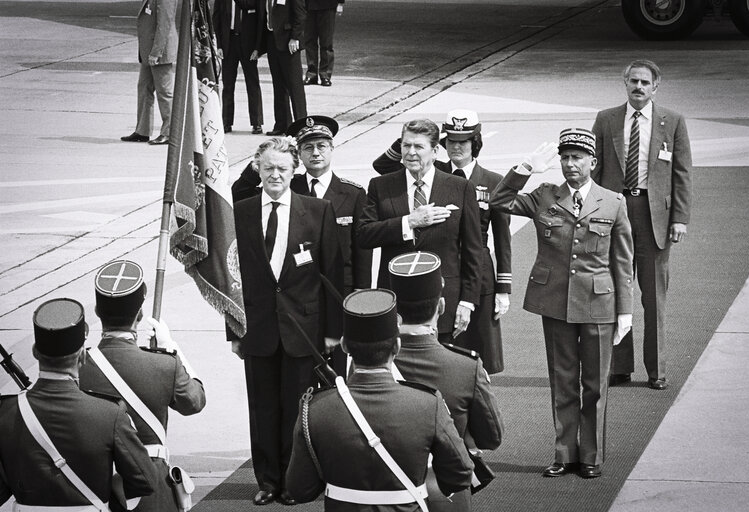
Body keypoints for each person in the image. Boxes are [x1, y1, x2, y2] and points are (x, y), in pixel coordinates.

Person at [490, 128, 634, 479]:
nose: (570, 164)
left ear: (592, 162)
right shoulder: (544, 195)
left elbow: (622, 261)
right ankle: (564, 452)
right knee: (562, 379)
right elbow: (498, 202)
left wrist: (625, 311)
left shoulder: (613, 201)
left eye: (577, 158)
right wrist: (525, 167)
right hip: (555, 301)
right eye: (565, 158)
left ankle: (591, 457)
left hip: (598, 302)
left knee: (595, 384)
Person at [228, 137, 344, 506]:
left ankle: (297, 483)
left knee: (298, 411)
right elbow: (231, 278)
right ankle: (268, 481)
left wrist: (333, 333)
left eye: (282, 168)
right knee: (262, 410)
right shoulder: (241, 211)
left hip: (304, 331)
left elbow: (332, 275)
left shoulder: (318, 210)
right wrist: (233, 329)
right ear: (257, 170)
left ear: (294, 169)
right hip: (257, 329)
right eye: (267, 168)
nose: (275, 175)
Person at [285, 288, 474, 510]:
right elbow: (460, 476)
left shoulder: (314, 409)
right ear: (397, 346)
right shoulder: (427, 404)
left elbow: (300, 489)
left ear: (345, 346)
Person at [372, 110, 512, 373]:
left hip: (473, 273)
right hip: (424, 272)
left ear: (475, 144)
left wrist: (503, 285)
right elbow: (383, 166)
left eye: (464, 141)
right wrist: (413, 138)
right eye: (451, 141)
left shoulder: (490, 181)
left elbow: (500, 238)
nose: (456, 147)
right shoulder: (431, 171)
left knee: (472, 355)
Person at [592, 59, 692, 390]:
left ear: (655, 87)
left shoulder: (673, 122)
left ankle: (657, 371)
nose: (638, 87)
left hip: (654, 216)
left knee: (654, 297)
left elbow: (681, 173)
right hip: (615, 213)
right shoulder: (606, 119)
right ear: (625, 84)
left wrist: (679, 218)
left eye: (644, 83)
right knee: (617, 292)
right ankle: (619, 367)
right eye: (633, 81)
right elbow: (594, 169)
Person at [0, 298, 156, 509]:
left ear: (35, 352)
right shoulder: (109, 414)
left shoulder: (6, 412)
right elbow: (145, 481)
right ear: (82, 356)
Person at [78, 260, 206, 512]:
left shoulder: (79, 367)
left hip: (94, 487)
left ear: (97, 311)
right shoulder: (163, 365)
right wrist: (172, 348)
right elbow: (195, 401)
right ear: (139, 314)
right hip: (150, 489)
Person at [386, 251, 503, 511]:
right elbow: (492, 437)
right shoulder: (465, 367)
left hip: (387, 494)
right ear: (440, 306)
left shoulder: (369, 368)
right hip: (445, 492)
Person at [358, 118, 483, 344]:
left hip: (444, 304)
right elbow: (364, 235)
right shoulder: (381, 186)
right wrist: (408, 222)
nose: (411, 153)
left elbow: (474, 250)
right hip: (395, 303)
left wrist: (467, 301)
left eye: (418, 147)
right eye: (406, 146)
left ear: (435, 151)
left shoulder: (460, 187)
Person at [121, 0, 181, 145]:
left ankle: (169, 132)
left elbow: (164, 25)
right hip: (148, 49)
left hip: (159, 51)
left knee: (164, 93)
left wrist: (156, 52)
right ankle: (142, 131)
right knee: (143, 88)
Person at [256, 0, 308, 135]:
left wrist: (295, 37)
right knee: (278, 85)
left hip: (288, 41)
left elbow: (300, 15)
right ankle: (282, 124)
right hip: (272, 39)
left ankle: (301, 125)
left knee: (294, 86)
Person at [213, 0, 264, 134]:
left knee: (252, 84)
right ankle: (226, 122)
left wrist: (258, 48)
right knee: (228, 85)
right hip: (228, 43)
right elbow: (216, 18)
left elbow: (260, 20)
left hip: (248, 43)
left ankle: (257, 123)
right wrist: (219, 45)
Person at [302, 0, 344, 87]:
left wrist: (340, 3)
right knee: (309, 41)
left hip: (328, 5)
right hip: (308, 5)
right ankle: (311, 73)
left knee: (326, 42)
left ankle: (325, 75)